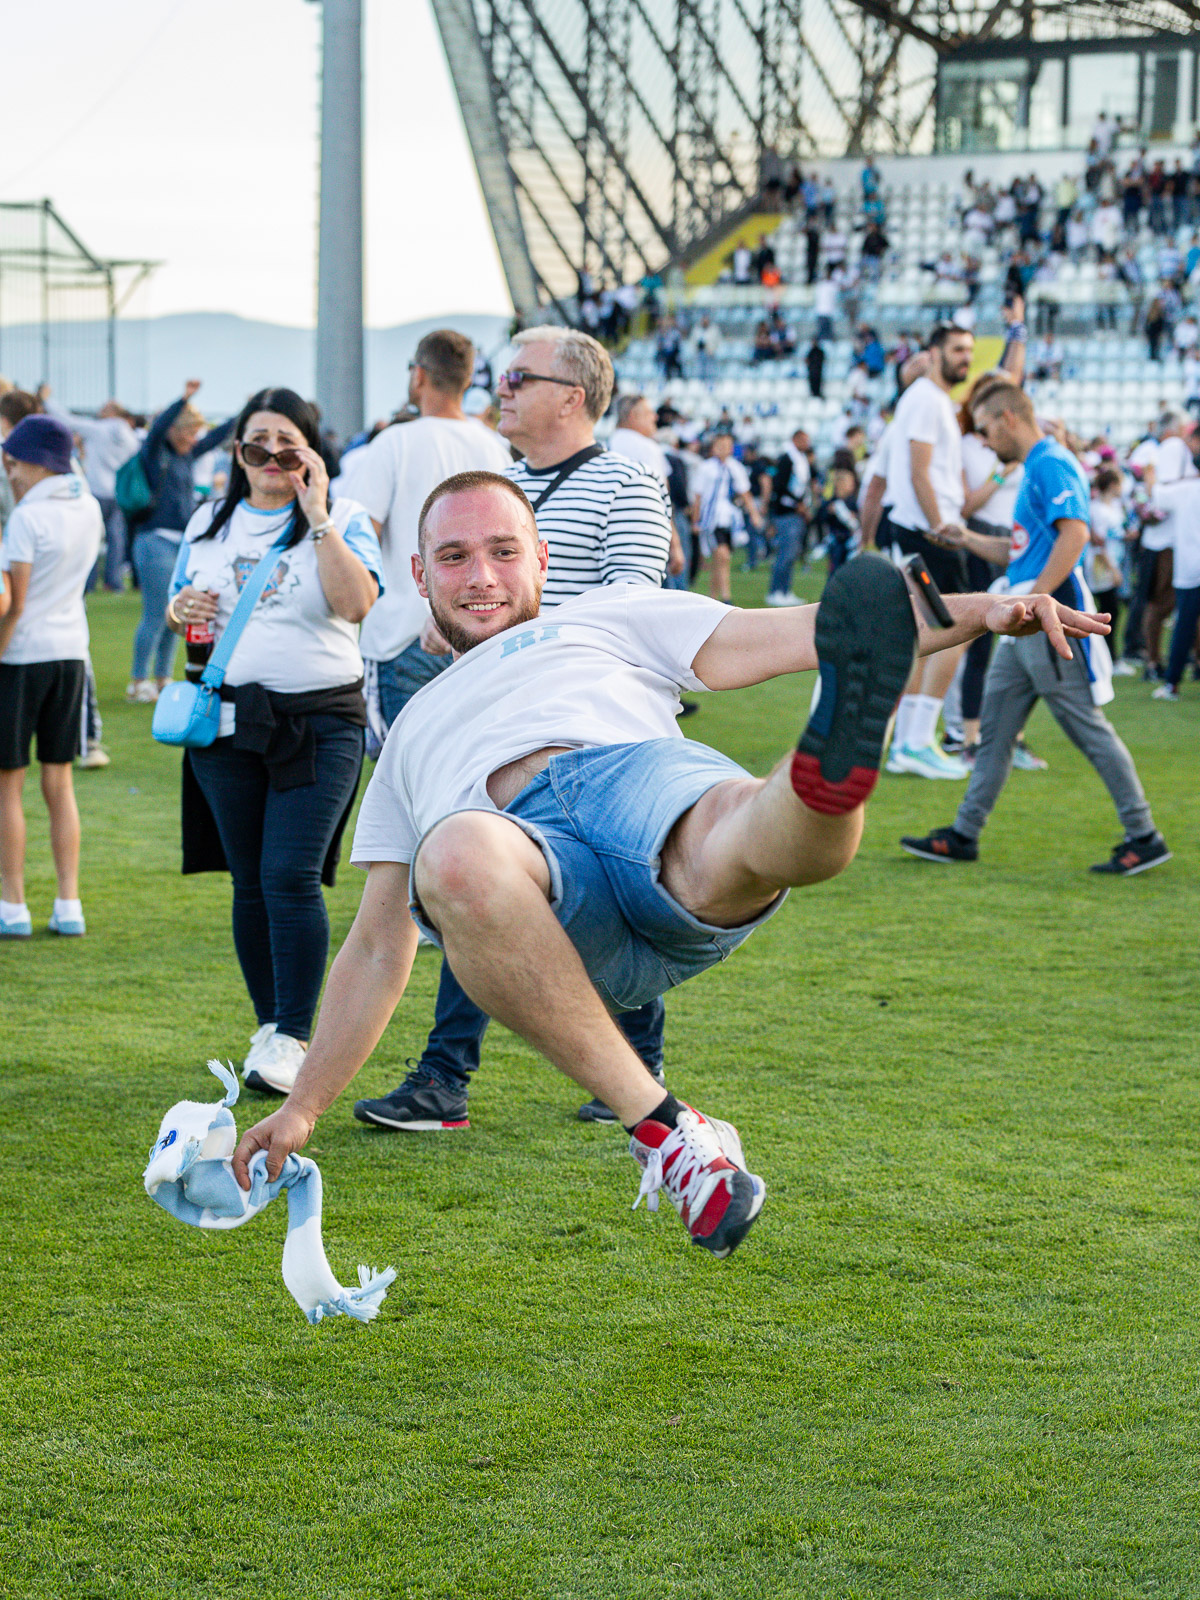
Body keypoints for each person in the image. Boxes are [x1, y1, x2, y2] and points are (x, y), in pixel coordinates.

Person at [227, 471, 1109, 1258]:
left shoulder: (605, 615)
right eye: (453, 558)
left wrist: (984, 611)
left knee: (737, 819)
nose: (482, 576)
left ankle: (827, 775)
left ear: (541, 556)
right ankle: (666, 1127)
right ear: (420, 577)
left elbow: (823, 626)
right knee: (450, 856)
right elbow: (381, 945)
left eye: (502, 550)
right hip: (536, 887)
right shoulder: (410, 729)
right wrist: (302, 1105)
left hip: (644, 792)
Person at [353, 326, 677, 1135]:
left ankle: (628, 1070)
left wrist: (517, 631)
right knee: (477, 879)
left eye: (518, 378)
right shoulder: (501, 483)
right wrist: (455, 619)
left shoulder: (627, 483)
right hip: (493, 726)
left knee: (611, 895)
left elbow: (635, 606)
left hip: (592, 727)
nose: (499, 390)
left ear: (572, 396)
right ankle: (447, 1078)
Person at [167, 388, 384, 1093]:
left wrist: (317, 513)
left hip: (319, 722)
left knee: (290, 876)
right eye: (255, 445)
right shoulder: (208, 520)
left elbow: (356, 605)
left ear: (312, 452)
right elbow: (183, 606)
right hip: (225, 725)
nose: (269, 459)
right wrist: (180, 612)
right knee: (251, 883)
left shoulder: (344, 518)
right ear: (237, 453)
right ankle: (271, 1026)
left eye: (285, 446)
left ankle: (293, 1033)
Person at [900, 384, 1170, 878]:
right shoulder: (1036, 467)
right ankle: (963, 834)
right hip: (1026, 619)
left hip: (1047, 618)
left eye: (984, 429)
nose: (982, 441)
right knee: (997, 729)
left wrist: (1038, 603)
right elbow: (1022, 554)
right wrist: (969, 538)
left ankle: (1144, 835)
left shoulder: (1050, 462)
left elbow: (1076, 534)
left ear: (1007, 418)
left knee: (1086, 728)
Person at [338, 330, 512, 744]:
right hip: (480, 627)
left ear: (418, 375)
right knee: (471, 771)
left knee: (402, 782)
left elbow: (360, 538)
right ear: (467, 381)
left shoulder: (393, 442)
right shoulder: (494, 448)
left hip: (402, 633)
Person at [0, 415, 102, 938]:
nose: (8, 473)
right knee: (59, 782)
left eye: (12, 462)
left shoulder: (25, 517)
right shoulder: (88, 507)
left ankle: (13, 906)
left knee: (8, 787)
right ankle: (69, 903)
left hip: (21, 657)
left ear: (35, 462)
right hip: (71, 654)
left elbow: (12, 604)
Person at [881, 323, 977, 778]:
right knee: (951, 630)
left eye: (969, 350)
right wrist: (940, 524)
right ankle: (914, 742)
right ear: (934, 352)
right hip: (929, 533)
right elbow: (920, 471)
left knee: (928, 632)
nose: (965, 357)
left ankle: (910, 743)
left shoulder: (932, 399)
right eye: (958, 349)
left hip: (926, 530)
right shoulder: (925, 398)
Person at [127, 382, 235, 703]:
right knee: (154, 614)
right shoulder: (155, 451)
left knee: (178, 611)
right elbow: (158, 427)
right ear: (176, 430)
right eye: (188, 432)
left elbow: (217, 437)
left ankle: (162, 677)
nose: (193, 439)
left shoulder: (188, 456)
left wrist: (247, 413)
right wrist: (184, 399)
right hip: (155, 539)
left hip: (181, 543)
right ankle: (137, 680)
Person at [39, 386, 139, 592]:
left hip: (96, 490)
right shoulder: (131, 437)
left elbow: (67, 420)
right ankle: (113, 581)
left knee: (91, 538)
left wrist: (47, 400)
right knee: (116, 540)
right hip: (119, 493)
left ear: (111, 412)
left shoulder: (98, 429)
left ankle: (89, 582)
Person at [1145, 463, 1200, 701]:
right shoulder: (1186, 488)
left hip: (1189, 570)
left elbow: (1153, 492)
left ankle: (1172, 684)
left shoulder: (1185, 489)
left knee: (1184, 627)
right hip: (1189, 569)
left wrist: (1149, 470)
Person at [691, 429, 763, 604]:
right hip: (711, 518)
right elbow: (698, 496)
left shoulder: (734, 467)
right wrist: (695, 519)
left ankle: (713, 598)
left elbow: (745, 492)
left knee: (722, 559)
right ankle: (725, 597)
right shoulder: (706, 468)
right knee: (721, 555)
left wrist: (754, 514)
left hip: (728, 518)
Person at [765, 429, 810, 606]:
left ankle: (785, 590)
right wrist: (797, 503)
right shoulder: (787, 459)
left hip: (795, 512)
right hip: (786, 513)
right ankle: (775, 591)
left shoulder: (800, 459)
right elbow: (780, 486)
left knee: (790, 555)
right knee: (784, 554)